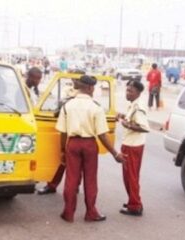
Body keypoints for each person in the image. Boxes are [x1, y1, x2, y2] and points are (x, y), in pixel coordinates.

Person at [56, 75, 124, 223]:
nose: (94, 90)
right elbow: (102, 135)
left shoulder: (68, 106)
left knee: (71, 179)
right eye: (94, 87)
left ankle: (68, 213)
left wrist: (63, 150)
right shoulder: (96, 107)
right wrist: (115, 153)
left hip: (72, 144)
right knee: (90, 180)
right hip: (89, 145)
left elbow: (63, 132)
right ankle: (91, 213)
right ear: (89, 88)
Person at [37, 70, 85, 195]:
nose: (74, 81)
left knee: (76, 163)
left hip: (77, 131)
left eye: (77, 79)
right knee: (59, 160)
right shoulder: (67, 91)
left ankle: (75, 186)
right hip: (65, 127)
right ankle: (52, 185)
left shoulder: (85, 96)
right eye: (73, 79)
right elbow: (59, 107)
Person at [117, 80, 149, 217]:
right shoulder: (133, 105)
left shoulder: (138, 107)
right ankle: (134, 201)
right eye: (127, 90)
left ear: (138, 93)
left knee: (131, 176)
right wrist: (123, 117)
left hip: (132, 146)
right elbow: (133, 119)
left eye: (130, 91)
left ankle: (134, 206)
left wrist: (127, 125)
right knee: (129, 176)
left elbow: (144, 127)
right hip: (130, 144)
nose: (127, 93)